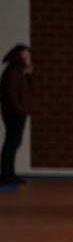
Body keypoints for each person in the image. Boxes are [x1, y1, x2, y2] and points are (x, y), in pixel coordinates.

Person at [1, 44, 32, 185]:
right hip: (14, 113)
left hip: (19, 112)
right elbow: (11, 93)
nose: (28, 58)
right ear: (18, 55)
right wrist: (18, 109)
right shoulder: (12, 71)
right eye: (25, 55)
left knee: (14, 143)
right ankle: (6, 175)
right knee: (11, 143)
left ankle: (10, 173)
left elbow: (28, 89)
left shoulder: (20, 71)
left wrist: (29, 74)